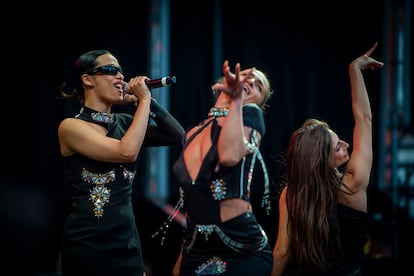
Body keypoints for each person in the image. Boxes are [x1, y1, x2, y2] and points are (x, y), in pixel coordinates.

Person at [57, 49, 185, 275]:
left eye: (120, 71)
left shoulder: (124, 123)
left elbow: (176, 135)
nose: (120, 77)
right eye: (110, 70)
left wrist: (147, 102)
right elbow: (126, 152)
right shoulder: (71, 127)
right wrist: (144, 100)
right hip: (87, 244)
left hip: (127, 243)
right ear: (87, 79)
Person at [271, 42, 384, 275]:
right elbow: (364, 119)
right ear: (322, 160)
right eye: (337, 148)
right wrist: (355, 70)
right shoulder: (352, 185)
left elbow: (282, 252)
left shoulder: (291, 194)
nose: (347, 145)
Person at [167, 60, 274, 275]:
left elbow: (228, 155)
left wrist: (236, 100)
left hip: (240, 247)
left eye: (258, 86)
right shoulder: (193, 132)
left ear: (260, 101)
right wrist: (182, 257)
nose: (250, 81)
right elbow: (191, 197)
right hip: (195, 248)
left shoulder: (251, 115)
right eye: (246, 75)